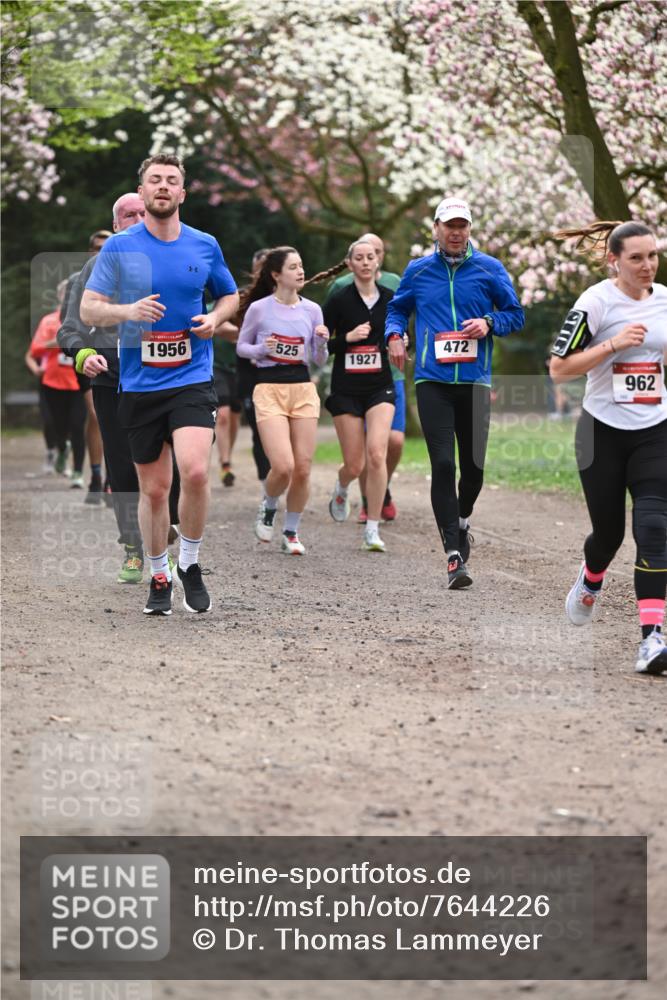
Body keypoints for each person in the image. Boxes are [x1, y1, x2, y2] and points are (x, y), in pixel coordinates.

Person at [80, 154, 239, 615]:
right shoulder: (119, 248)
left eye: (172, 181)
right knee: (153, 491)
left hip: (192, 377)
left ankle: (189, 562)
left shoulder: (204, 245)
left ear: (182, 193)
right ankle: (158, 572)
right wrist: (127, 312)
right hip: (141, 382)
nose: (164, 187)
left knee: (194, 471)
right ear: (143, 191)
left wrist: (215, 316)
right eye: (155, 180)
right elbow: (91, 309)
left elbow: (229, 295)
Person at [385, 196, 525, 588]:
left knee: (474, 470)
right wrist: (395, 335)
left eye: (462, 225)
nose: (456, 232)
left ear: (469, 230)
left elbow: (516, 314)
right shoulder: (418, 271)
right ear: (436, 229)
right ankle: (452, 555)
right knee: (444, 464)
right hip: (432, 381)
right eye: (450, 225)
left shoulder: (489, 268)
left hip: (475, 381)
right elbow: (397, 309)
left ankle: (461, 523)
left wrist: (488, 321)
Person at [551, 220, 667, 675]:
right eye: (636, 257)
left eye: (652, 255)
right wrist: (614, 344)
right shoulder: (595, 302)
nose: (647, 265)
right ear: (613, 260)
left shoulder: (665, 302)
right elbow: (559, 369)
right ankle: (591, 577)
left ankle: (652, 638)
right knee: (609, 535)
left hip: (655, 429)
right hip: (601, 430)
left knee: (655, 528)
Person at [58, 192, 181, 585]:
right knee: (123, 462)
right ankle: (132, 545)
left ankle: (165, 541)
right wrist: (83, 356)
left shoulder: (173, 259)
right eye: (128, 215)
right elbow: (69, 329)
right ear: (115, 225)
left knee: (169, 459)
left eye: (142, 213)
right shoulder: (93, 270)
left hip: (165, 377)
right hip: (112, 376)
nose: (137, 219)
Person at [236, 246, 329, 555]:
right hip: (269, 388)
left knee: (303, 468)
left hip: (301, 387)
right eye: (293, 267)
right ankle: (269, 504)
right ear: (276, 275)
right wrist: (262, 350)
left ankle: (291, 530)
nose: (301, 272)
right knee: (283, 466)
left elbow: (317, 359)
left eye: (302, 266)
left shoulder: (313, 310)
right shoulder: (259, 309)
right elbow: (242, 348)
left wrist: (320, 341)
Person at [323, 238, 396, 552]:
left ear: (377, 262)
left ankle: (372, 527)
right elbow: (320, 348)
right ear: (350, 264)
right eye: (359, 258)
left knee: (377, 454)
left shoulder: (392, 299)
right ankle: (342, 487)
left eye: (370, 257)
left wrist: (400, 340)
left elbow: (402, 333)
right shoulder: (339, 300)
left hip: (380, 386)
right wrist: (347, 339)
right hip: (347, 388)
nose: (366, 262)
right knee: (354, 465)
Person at [61, 229, 112, 504]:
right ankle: (96, 473)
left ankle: (114, 475)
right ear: (90, 251)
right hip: (90, 357)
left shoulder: (130, 276)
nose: (103, 252)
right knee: (96, 413)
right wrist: (82, 351)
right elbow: (66, 327)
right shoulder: (77, 280)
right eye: (97, 247)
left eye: (108, 246)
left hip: (121, 356)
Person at [29, 280, 87, 485]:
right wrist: (58, 342)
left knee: (78, 426)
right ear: (59, 297)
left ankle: (79, 473)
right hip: (53, 383)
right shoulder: (49, 321)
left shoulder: (85, 318)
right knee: (56, 426)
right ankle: (62, 448)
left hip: (79, 382)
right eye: (65, 294)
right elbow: (35, 349)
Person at [235, 249, 271, 490]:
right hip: (250, 374)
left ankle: (280, 473)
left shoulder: (291, 298)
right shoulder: (241, 298)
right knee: (260, 430)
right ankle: (265, 480)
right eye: (260, 267)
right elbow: (217, 325)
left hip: (282, 374)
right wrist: (247, 339)